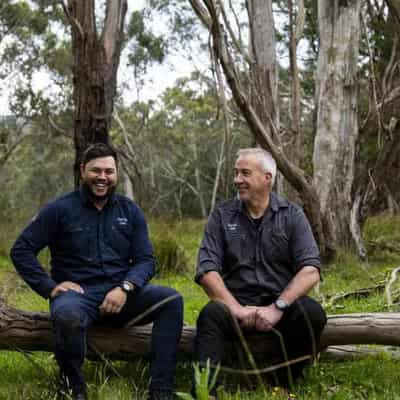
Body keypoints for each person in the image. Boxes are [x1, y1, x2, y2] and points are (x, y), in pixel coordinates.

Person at [10, 143, 183, 400]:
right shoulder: (60, 210)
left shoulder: (130, 211)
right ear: (82, 171)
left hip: (123, 295)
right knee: (67, 315)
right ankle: (73, 389)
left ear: (116, 174)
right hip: (78, 297)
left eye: (109, 171)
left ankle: (160, 389)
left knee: (172, 300)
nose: (103, 177)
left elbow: (146, 260)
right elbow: (21, 249)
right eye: (96, 170)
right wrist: (49, 287)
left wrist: (125, 288)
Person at [194, 148, 327, 397]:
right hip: (235, 304)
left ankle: (282, 381)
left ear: (268, 178)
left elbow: (311, 269)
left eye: (245, 173)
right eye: (236, 173)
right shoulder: (222, 215)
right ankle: (206, 390)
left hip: (278, 305)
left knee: (313, 314)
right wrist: (236, 308)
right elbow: (206, 270)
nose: (237, 179)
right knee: (210, 315)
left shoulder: (292, 215)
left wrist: (277, 307)